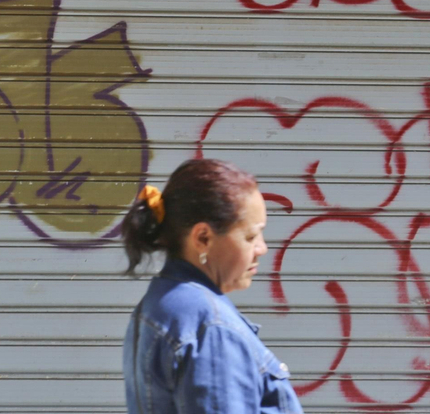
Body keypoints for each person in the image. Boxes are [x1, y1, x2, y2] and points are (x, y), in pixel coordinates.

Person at [121, 158, 302, 414]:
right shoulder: (211, 328)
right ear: (203, 238)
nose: (262, 248)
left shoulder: (160, 304)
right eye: (251, 236)